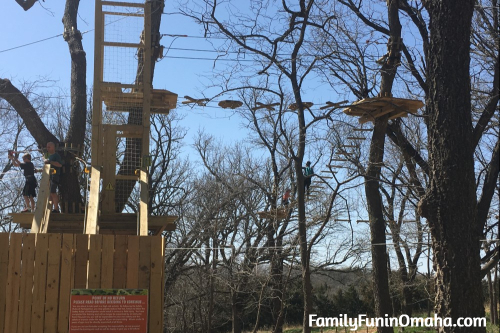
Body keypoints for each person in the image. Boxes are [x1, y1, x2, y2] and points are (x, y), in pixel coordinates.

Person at [45, 142, 63, 213]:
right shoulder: (47, 155)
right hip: (48, 175)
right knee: (49, 193)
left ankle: (56, 208)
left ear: (53, 147)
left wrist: (51, 162)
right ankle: (50, 208)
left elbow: (60, 165)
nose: (47, 148)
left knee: (53, 191)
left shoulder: (56, 155)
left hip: (54, 175)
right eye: (47, 147)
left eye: (49, 147)